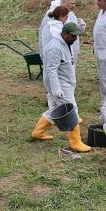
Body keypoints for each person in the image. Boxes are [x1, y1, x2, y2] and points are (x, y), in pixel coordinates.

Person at [31, 23, 91, 152]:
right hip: (59, 84)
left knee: (57, 109)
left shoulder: (66, 43)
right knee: (71, 109)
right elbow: (51, 70)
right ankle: (76, 142)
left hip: (65, 82)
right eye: (73, 36)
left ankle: (37, 132)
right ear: (65, 34)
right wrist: (57, 90)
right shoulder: (55, 47)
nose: (75, 39)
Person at [40, 6, 69, 109]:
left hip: (47, 63)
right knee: (62, 105)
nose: (67, 19)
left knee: (55, 102)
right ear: (61, 16)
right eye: (66, 17)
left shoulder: (46, 27)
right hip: (58, 69)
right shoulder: (59, 30)